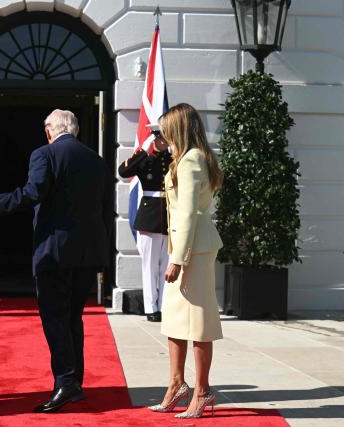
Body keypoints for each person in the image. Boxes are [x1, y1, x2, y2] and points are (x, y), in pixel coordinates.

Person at [0, 109, 112, 413]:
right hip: (87, 251)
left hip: (54, 251)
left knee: (55, 318)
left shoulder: (45, 154)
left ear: (49, 131)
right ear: (76, 130)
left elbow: (32, 193)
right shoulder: (96, 159)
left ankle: (66, 383)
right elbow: (104, 206)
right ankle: (74, 381)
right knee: (72, 318)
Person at [147, 103, 223, 419]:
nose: (162, 133)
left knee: (199, 322)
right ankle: (177, 384)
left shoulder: (191, 160)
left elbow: (190, 213)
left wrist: (178, 259)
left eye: (166, 127)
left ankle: (202, 391)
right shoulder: (188, 157)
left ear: (178, 128)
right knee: (175, 320)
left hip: (193, 250)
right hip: (188, 246)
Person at [118, 125, 172, 322]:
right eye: (158, 139)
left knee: (166, 265)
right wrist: (145, 146)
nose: (162, 142)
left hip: (169, 216)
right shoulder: (146, 161)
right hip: (149, 217)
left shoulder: (174, 160)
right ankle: (151, 308)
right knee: (149, 265)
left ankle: (164, 306)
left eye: (165, 139)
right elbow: (124, 170)